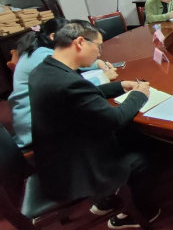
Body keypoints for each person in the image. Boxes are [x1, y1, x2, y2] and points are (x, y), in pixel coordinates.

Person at [29, 20, 160, 229]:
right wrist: (139, 95)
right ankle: (141, 211)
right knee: (141, 155)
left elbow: (82, 96)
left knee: (131, 135)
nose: (99, 54)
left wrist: (119, 86)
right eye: (99, 47)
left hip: (57, 156)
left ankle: (107, 199)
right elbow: (115, 119)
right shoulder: (67, 83)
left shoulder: (46, 69)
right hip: (75, 169)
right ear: (80, 42)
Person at [8, 18, 118, 149]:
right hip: (36, 130)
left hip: (40, 119)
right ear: (54, 37)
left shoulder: (40, 50)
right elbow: (69, 85)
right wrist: (102, 78)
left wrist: (96, 63)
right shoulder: (41, 57)